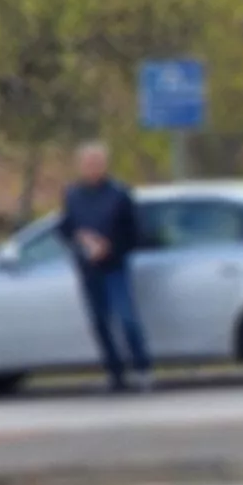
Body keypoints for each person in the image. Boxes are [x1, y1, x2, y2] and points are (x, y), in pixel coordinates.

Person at [57, 141, 151, 394]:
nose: (92, 168)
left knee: (126, 318)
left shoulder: (119, 194)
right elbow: (65, 228)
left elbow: (137, 234)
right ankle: (115, 374)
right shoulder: (73, 195)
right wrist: (81, 239)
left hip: (115, 267)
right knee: (99, 322)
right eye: (87, 163)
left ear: (105, 165)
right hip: (88, 270)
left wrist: (110, 246)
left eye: (97, 163)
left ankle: (142, 369)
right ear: (80, 166)